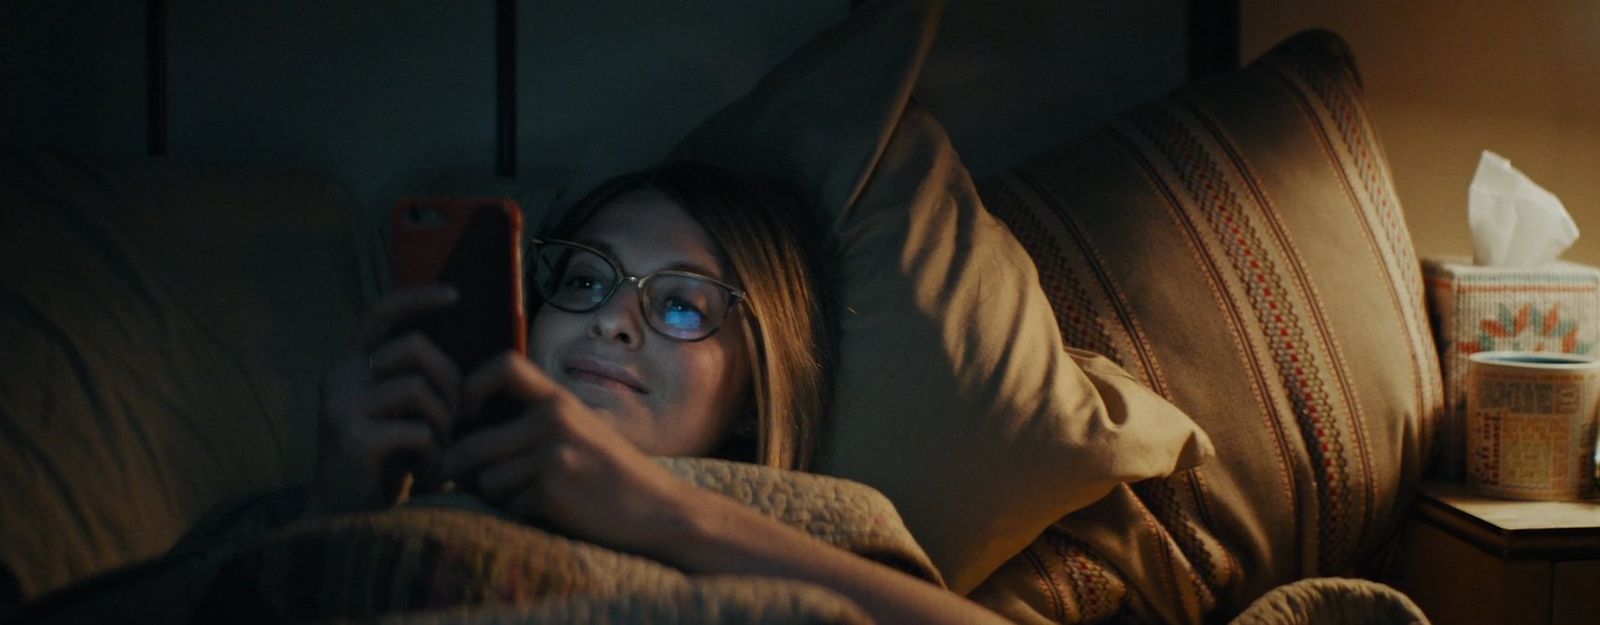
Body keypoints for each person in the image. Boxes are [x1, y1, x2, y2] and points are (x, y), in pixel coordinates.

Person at [311, 161, 1007, 624]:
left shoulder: (824, 522)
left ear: (754, 400)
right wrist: (336, 513)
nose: (612, 319)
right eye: (585, 280)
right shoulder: (386, 495)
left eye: (682, 306)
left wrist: (660, 510)